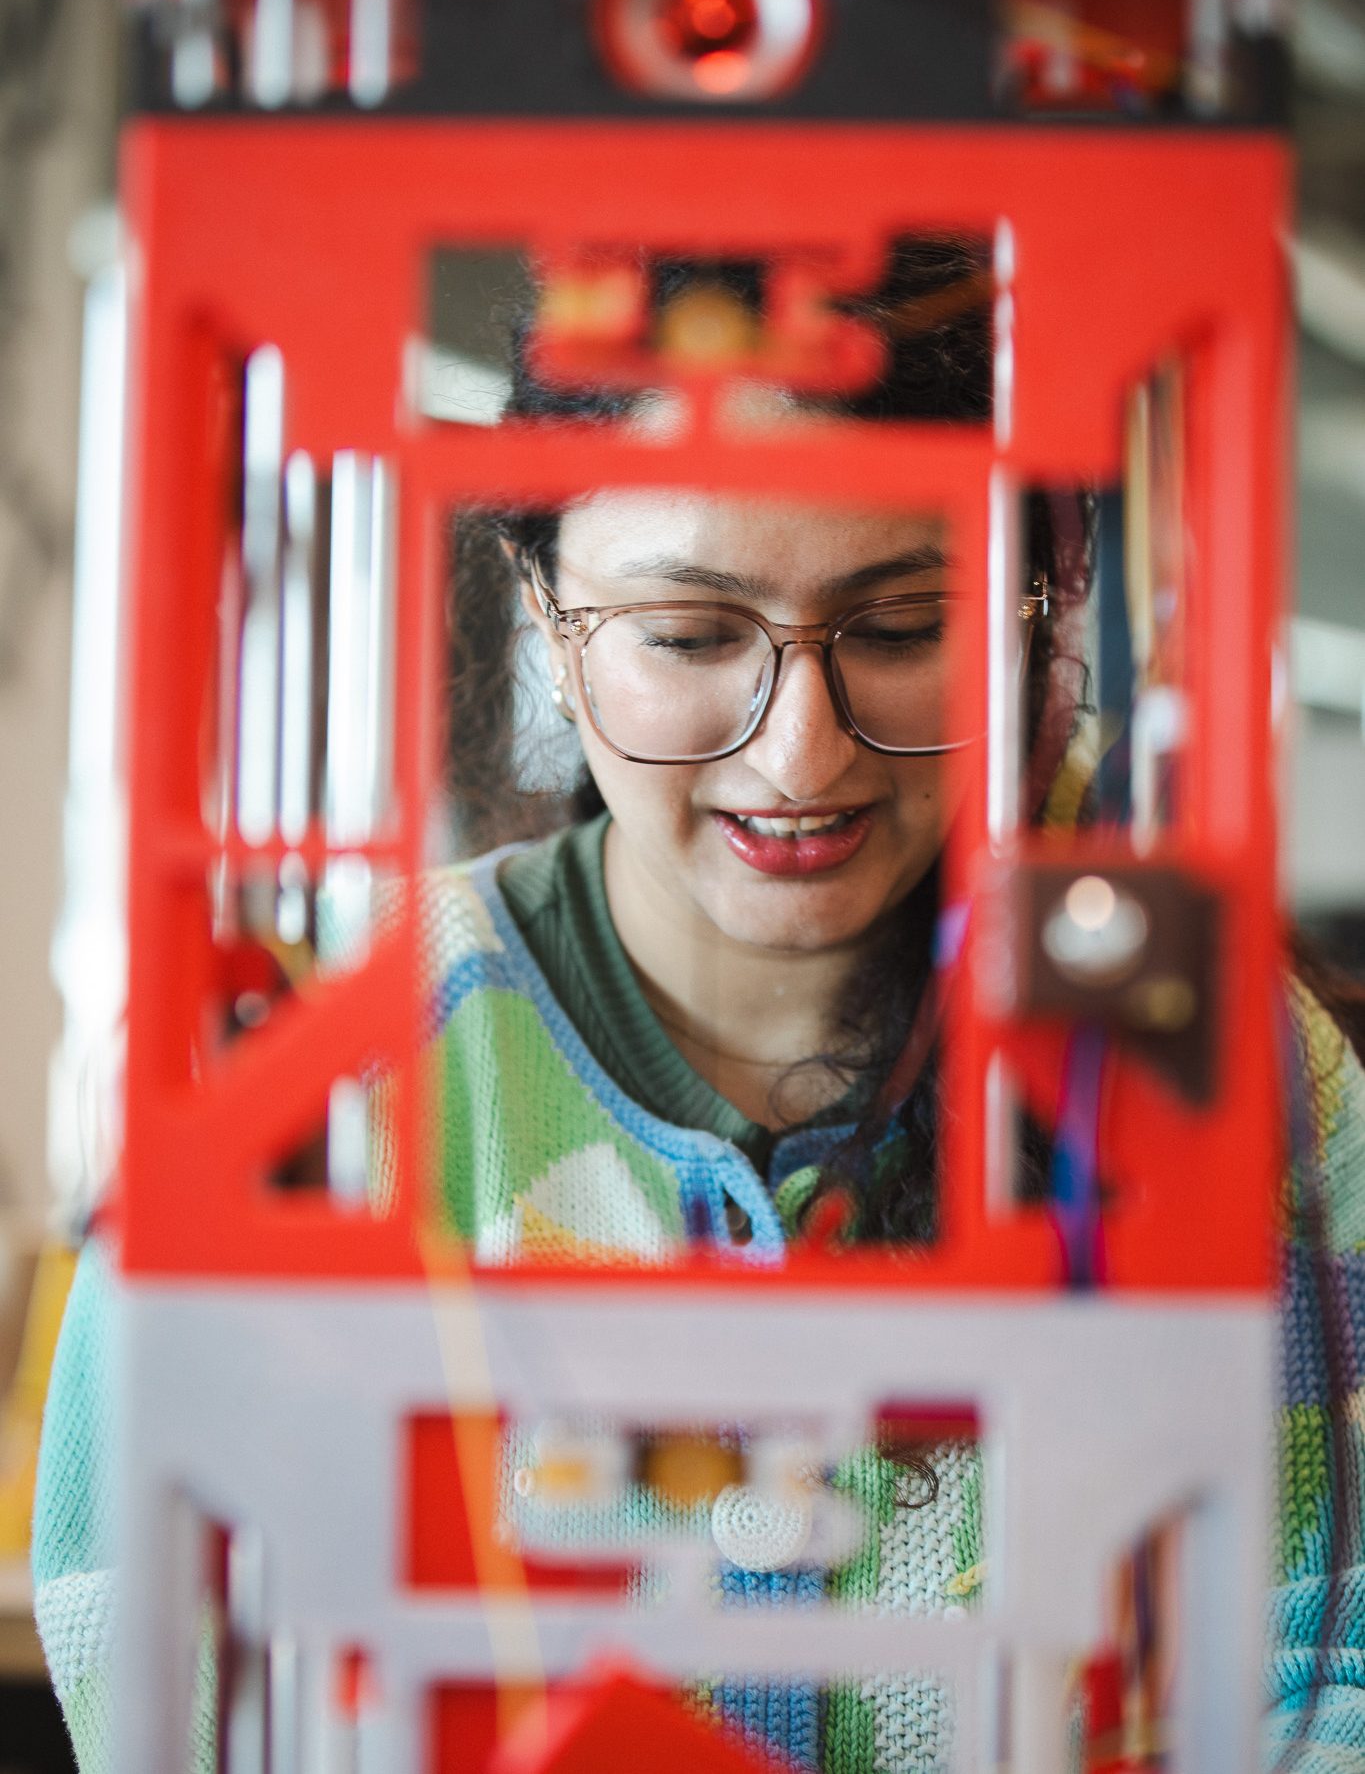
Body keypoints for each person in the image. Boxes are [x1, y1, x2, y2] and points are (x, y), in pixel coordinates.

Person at [32, 247, 1365, 1773]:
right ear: (545, 613)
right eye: (688, 638)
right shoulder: (320, 1094)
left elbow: (1334, 1661)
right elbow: (159, 1663)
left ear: (1028, 608)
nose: (798, 757)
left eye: (901, 626)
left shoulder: (1224, 1067)